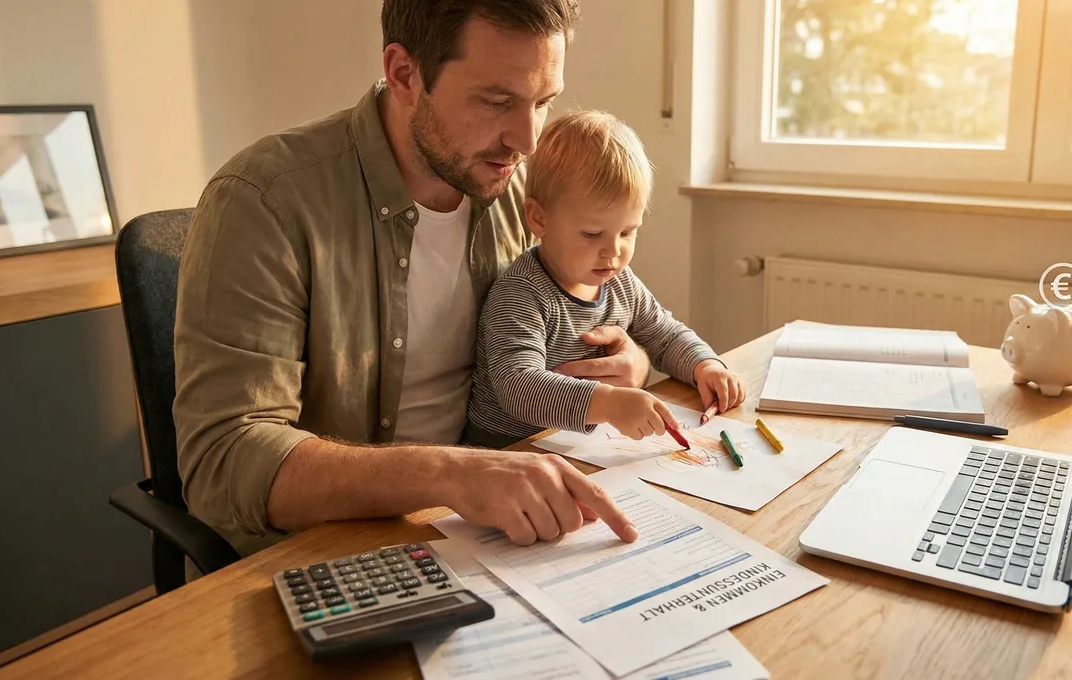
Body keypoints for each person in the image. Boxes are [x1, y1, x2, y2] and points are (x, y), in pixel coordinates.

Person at [172, 0, 654, 558]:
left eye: (543, 102)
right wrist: (450, 473)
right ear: (404, 74)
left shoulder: (523, 192)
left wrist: (631, 360)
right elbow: (223, 462)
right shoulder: (265, 202)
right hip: (323, 553)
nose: (526, 140)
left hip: (483, 527)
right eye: (497, 101)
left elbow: (587, 308)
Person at [466, 111, 745, 448]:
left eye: (628, 232)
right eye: (592, 233)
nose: (613, 252)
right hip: (507, 448)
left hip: (581, 443)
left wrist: (705, 364)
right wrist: (608, 402)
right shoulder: (521, 294)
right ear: (538, 218)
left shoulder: (620, 281)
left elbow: (665, 334)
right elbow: (519, 388)